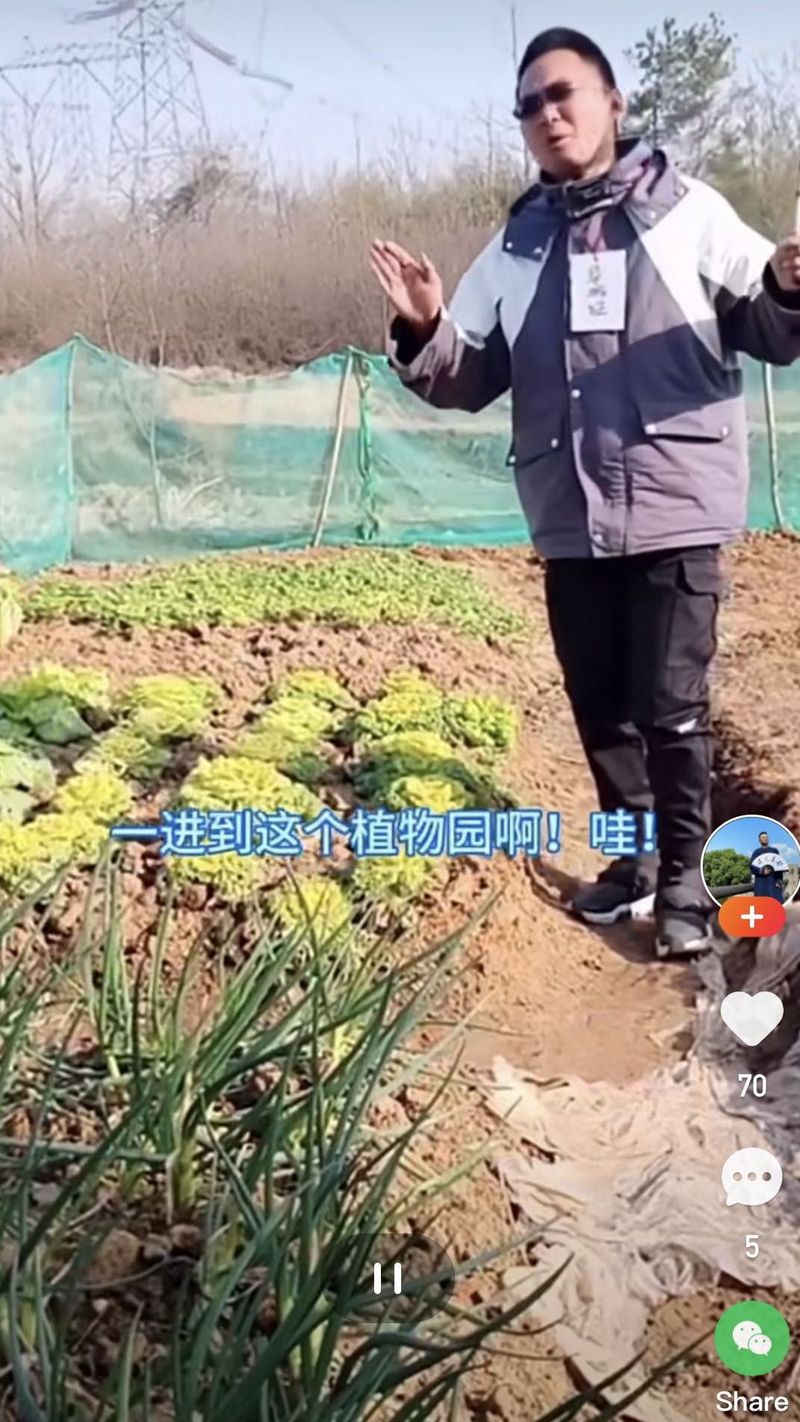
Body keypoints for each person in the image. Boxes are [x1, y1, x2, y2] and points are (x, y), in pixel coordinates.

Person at [369, 27, 800, 959]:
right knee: (598, 705)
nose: (548, 114)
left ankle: (686, 879)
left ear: (612, 103)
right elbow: (465, 374)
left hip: (674, 503)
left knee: (673, 705)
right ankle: (630, 863)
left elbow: (769, 322)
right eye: (529, 106)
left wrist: (789, 281)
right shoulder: (518, 245)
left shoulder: (688, 213)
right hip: (568, 516)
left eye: (564, 94)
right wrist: (424, 324)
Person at [749, 830, 786, 903]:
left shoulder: (774, 850)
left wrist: (779, 881)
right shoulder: (757, 852)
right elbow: (751, 865)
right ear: (759, 840)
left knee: (775, 903)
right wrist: (762, 871)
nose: (765, 838)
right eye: (763, 837)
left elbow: (779, 867)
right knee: (761, 904)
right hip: (761, 882)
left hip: (773, 880)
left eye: (766, 837)